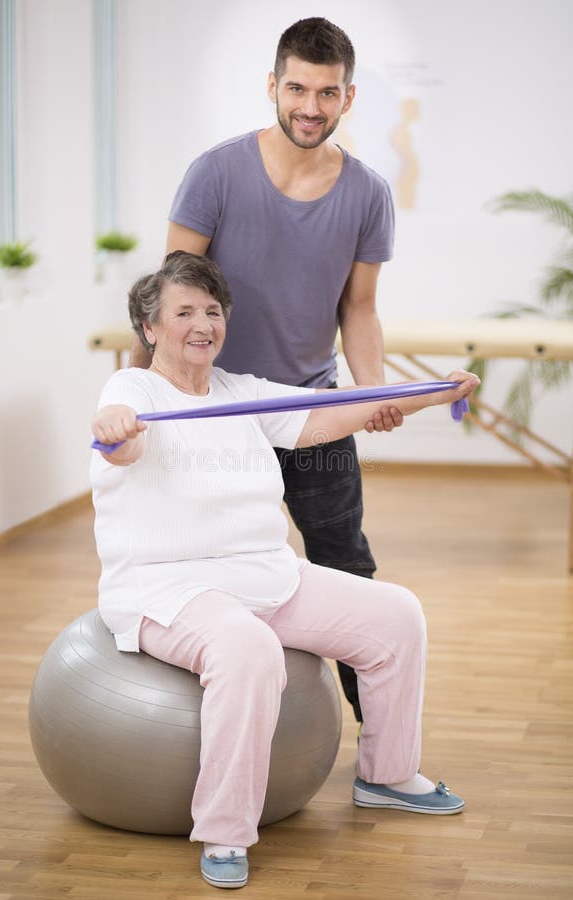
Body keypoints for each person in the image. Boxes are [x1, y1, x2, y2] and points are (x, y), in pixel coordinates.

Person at [93, 252, 479, 890]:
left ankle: (385, 776)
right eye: (183, 311)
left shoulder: (241, 392)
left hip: (264, 574)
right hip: (169, 586)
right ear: (150, 327)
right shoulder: (131, 393)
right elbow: (123, 444)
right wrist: (114, 432)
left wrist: (433, 393)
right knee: (249, 650)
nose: (202, 323)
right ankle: (224, 831)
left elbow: (332, 415)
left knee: (396, 614)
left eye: (212, 311)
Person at [131, 17, 398, 723]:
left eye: (327, 93)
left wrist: (370, 393)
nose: (310, 106)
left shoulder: (369, 194)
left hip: (308, 410)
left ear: (349, 98)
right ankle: (184, 724)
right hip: (214, 412)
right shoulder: (215, 174)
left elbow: (361, 309)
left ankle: (382, 745)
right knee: (201, 564)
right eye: (297, 88)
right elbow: (172, 295)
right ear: (273, 86)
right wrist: (139, 397)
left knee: (347, 565)